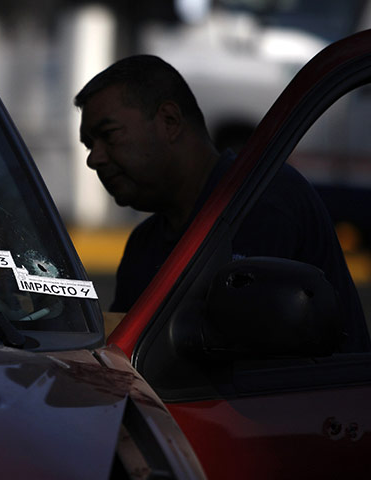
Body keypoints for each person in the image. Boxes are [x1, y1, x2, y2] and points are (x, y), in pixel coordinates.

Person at [75, 55, 370, 352]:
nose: (93, 158)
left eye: (108, 135)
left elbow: (249, 360)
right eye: (89, 145)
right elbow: (123, 359)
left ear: (169, 121)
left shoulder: (260, 200)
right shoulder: (143, 245)